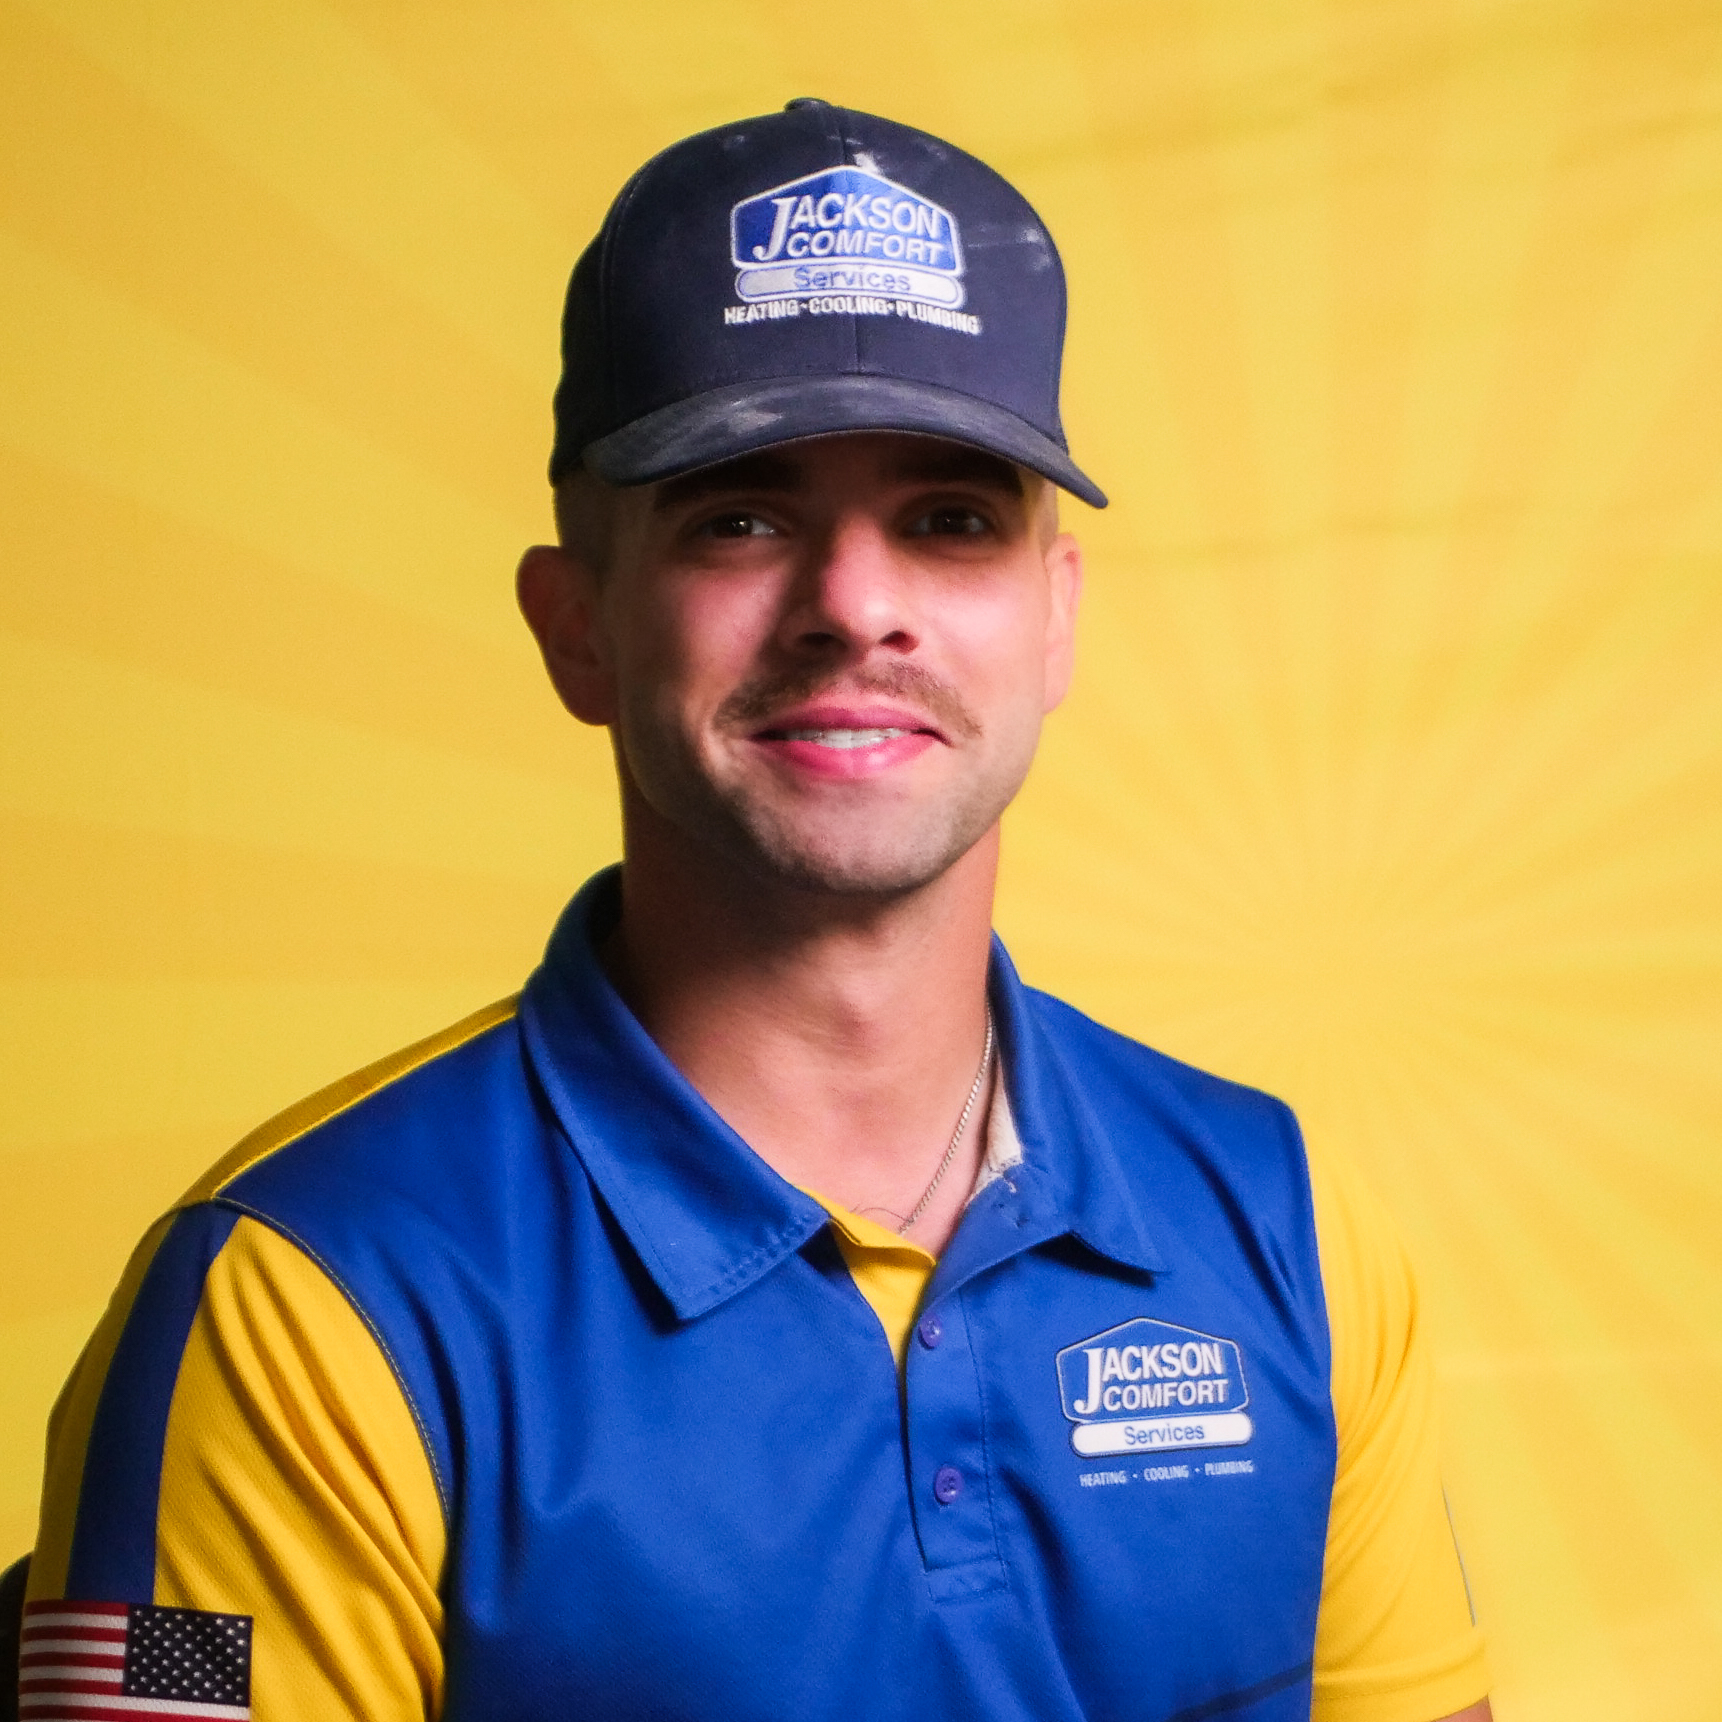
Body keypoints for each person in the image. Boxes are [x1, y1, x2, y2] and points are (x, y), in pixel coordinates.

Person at [21, 101, 1492, 1722]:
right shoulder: (289, 1296)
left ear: (1054, 622)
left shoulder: (1283, 1224)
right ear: (574, 622)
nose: (854, 605)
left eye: (949, 518)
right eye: (740, 513)